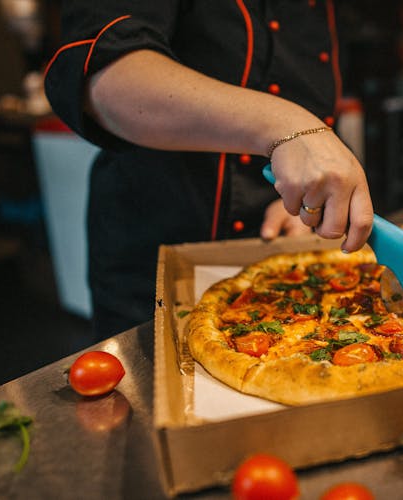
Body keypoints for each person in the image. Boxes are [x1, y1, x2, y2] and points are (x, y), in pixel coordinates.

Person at [44, 1, 373, 340]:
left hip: (284, 259)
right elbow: (109, 81)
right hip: (157, 257)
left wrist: (306, 200)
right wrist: (292, 129)